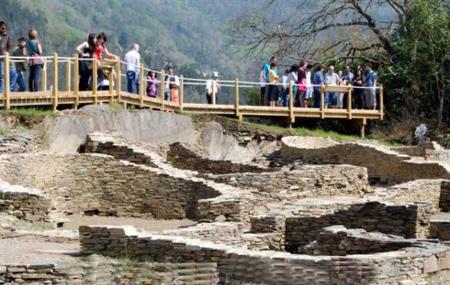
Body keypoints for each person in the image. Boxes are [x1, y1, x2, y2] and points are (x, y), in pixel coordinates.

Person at [0, 21, 11, 92]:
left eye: (5, 28)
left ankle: (1, 91)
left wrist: (6, 52)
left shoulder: (7, 36)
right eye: (2, 28)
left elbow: (9, 46)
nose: (4, 29)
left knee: (2, 75)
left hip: (3, 58)